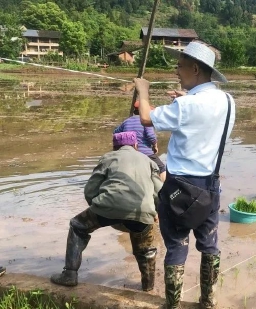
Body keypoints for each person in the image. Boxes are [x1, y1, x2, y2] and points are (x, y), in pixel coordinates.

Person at [133, 41, 236, 309]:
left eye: (179, 66)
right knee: (209, 245)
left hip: (179, 187)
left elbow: (146, 118)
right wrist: (183, 100)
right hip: (211, 186)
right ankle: (209, 301)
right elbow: (203, 120)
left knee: (177, 246)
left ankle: (172, 304)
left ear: (194, 68)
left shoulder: (187, 106)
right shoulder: (227, 101)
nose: (176, 71)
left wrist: (143, 91)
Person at [50, 132, 162, 292]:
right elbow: (159, 193)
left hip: (107, 208)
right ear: (136, 146)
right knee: (146, 248)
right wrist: (154, 212)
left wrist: (97, 208)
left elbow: (90, 190)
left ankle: (69, 274)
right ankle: (148, 287)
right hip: (141, 213)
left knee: (77, 226)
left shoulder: (108, 158)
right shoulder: (149, 162)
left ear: (114, 147)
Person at [114, 101, 166, 182]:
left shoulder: (126, 121)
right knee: (162, 168)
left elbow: (116, 133)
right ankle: (163, 190)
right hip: (145, 152)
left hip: (128, 152)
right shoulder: (146, 121)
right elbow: (151, 136)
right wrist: (155, 146)